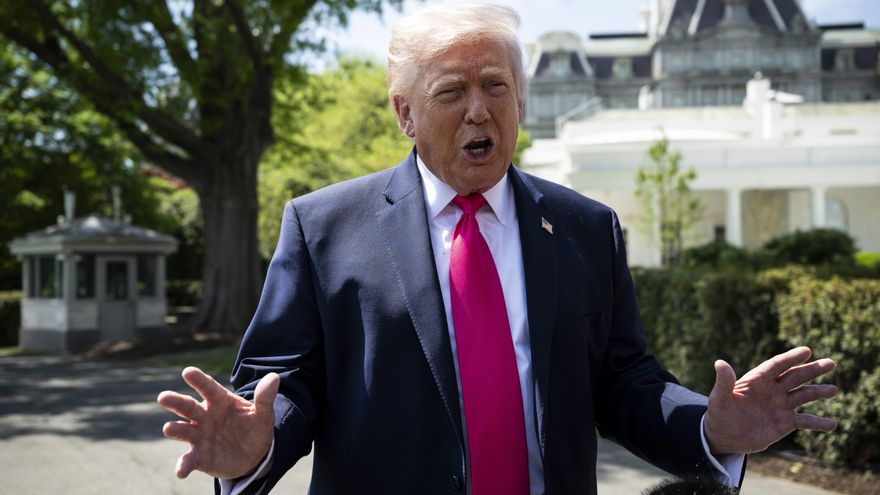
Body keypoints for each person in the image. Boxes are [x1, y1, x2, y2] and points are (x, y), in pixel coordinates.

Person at [157, 5, 838, 495]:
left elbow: (627, 382)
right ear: (405, 113)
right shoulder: (323, 227)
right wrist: (257, 441)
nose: (479, 110)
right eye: (451, 93)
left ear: (519, 102)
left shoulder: (585, 227)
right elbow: (283, 384)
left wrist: (710, 429)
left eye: (496, 88)